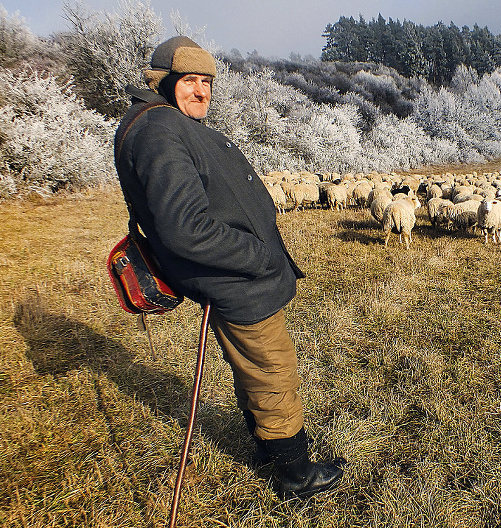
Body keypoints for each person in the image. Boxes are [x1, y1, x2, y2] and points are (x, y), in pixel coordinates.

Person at [114, 36, 343, 499]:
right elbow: (185, 227)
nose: (201, 92)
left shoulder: (164, 123)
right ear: (163, 82)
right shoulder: (159, 131)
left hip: (230, 274)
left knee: (251, 365)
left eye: (206, 82)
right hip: (236, 277)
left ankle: (266, 447)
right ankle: (295, 474)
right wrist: (258, 256)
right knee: (272, 368)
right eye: (189, 82)